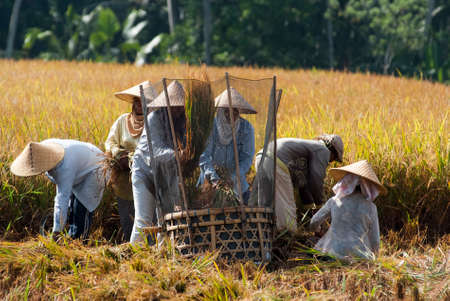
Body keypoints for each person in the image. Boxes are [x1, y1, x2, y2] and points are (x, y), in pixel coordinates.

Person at [10, 139, 107, 239]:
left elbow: (62, 198)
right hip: (81, 164)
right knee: (72, 207)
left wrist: (56, 232)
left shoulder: (64, 166)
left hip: (97, 168)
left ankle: (79, 242)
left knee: (81, 209)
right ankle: (70, 238)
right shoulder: (40, 150)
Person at [130, 80, 186, 243]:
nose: (177, 109)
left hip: (166, 174)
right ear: (166, 105)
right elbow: (156, 152)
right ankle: (133, 256)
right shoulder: (154, 119)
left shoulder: (183, 122)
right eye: (174, 106)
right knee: (143, 220)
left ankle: (162, 256)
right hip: (144, 172)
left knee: (166, 219)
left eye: (180, 106)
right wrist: (178, 155)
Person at [252, 134, 344, 232]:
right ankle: (287, 237)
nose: (330, 162)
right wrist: (320, 205)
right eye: (333, 158)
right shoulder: (323, 150)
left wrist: (309, 212)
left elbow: (304, 188)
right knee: (287, 217)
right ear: (332, 151)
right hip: (276, 161)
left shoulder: (308, 150)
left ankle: (265, 231)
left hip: (261, 158)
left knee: (271, 203)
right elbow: (316, 179)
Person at [105, 81, 155, 241]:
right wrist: (118, 152)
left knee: (147, 218)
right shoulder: (122, 121)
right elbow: (110, 142)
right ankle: (132, 251)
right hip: (123, 179)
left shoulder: (153, 122)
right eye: (136, 102)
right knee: (127, 219)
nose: (139, 105)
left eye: (143, 101)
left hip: (146, 177)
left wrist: (136, 157)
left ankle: (150, 251)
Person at [309, 160, 385, 261]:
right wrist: (375, 257)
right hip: (358, 258)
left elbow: (313, 222)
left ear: (346, 182)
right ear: (368, 187)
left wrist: (318, 230)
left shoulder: (334, 201)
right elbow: (375, 240)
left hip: (331, 254)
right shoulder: (371, 207)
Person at [198, 87, 256, 204]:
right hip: (209, 183)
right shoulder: (210, 127)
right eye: (227, 110)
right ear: (220, 110)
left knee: (246, 209)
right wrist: (215, 179)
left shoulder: (246, 128)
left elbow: (247, 158)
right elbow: (204, 156)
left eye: (235, 110)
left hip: (237, 184)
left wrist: (233, 177)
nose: (232, 114)